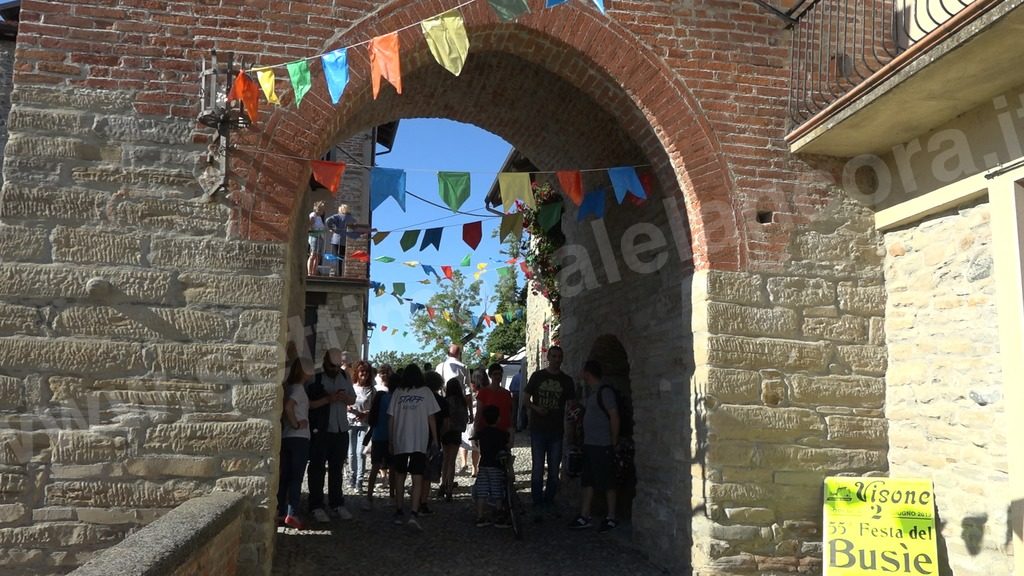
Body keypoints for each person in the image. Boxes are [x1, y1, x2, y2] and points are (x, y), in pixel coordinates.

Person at [525, 346, 575, 519]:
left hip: (556, 430)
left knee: (554, 468)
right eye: (554, 356)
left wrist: (570, 427)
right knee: (538, 466)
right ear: (548, 357)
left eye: (559, 356)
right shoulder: (538, 376)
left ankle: (549, 499)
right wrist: (535, 408)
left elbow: (570, 405)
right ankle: (537, 500)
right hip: (538, 428)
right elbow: (526, 398)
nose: (556, 359)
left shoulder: (567, 381)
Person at [569, 361, 620, 532]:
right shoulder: (593, 393)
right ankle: (585, 515)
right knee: (588, 480)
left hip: (603, 444)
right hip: (591, 445)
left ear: (587, 372)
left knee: (608, 482)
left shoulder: (604, 392)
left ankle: (611, 516)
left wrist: (613, 441)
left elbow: (614, 416)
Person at [306, 349, 356, 523]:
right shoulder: (316, 377)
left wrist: (344, 397)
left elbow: (353, 399)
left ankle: (337, 503)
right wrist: (328, 399)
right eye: (331, 366)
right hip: (321, 430)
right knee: (317, 469)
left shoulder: (345, 376)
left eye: (336, 367)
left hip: (340, 429)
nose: (334, 370)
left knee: (337, 469)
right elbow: (308, 404)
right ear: (325, 362)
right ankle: (316, 505)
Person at [388, 364, 440, 531]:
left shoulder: (398, 392)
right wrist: (435, 439)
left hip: (400, 439)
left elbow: (391, 418)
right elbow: (431, 417)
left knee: (400, 476)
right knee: (417, 477)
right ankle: (414, 513)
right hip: (419, 439)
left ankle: (398, 510)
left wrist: (391, 439)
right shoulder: (426, 392)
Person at [277, 358, 312, 530]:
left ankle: (281, 511)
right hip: (299, 437)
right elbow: (289, 407)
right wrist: (296, 423)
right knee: (296, 478)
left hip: (287, 437)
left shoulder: (292, 387)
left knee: (285, 477)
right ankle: (292, 513)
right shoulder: (298, 389)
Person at [471, 405, 510, 527]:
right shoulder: (502, 434)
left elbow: (476, 442)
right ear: (498, 419)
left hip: (483, 465)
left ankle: (480, 516)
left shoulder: (482, 433)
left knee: (482, 491)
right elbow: (506, 446)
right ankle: (499, 516)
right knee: (497, 490)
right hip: (496, 466)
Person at [364, 369, 396, 510]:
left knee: (375, 467)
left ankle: (369, 497)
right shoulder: (394, 399)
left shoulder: (380, 397)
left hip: (377, 436)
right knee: (392, 469)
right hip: (391, 437)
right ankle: (392, 496)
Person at [420, 371, 448, 515]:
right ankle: (423, 502)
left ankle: (416, 499)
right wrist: (440, 436)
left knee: (418, 471)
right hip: (433, 439)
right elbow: (446, 423)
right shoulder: (441, 401)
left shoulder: (420, 399)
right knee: (428, 474)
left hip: (419, 438)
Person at [347, 360, 375, 494]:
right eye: (361, 371)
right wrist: (349, 408)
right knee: (351, 453)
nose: (364, 373)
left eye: (366, 371)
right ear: (357, 373)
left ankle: (359, 480)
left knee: (361, 453)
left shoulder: (371, 390)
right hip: (350, 423)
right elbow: (345, 402)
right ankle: (351, 478)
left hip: (364, 424)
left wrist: (365, 413)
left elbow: (375, 408)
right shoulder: (351, 387)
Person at [440, 377, 468, 502]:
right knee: (452, 461)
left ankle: (443, 484)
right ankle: (449, 489)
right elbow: (465, 419)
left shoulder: (445, 401)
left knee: (445, 459)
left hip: (446, 432)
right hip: (456, 432)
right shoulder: (462, 402)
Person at [475, 363, 513, 441]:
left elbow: (509, 413)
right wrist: (476, 429)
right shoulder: (483, 392)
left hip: (503, 431)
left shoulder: (507, 393)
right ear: (490, 375)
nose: (498, 376)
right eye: (495, 374)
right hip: (487, 431)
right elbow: (479, 412)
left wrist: (511, 431)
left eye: (500, 374)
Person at [325, 204, 355, 274]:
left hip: (336, 239)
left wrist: (331, 228)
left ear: (340, 209)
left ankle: (333, 272)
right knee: (341, 259)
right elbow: (354, 226)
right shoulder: (351, 218)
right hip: (345, 241)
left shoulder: (338, 216)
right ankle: (340, 273)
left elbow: (328, 220)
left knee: (334, 257)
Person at [307, 201, 327, 276]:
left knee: (318, 256)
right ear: (318, 209)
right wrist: (313, 230)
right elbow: (310, 224)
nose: (323, 211)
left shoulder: (319, 217)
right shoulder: (313, 215)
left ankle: (314, 272)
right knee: (313, 254)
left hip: (320, 237)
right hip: (314, 237)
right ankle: (309, 272)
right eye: (322, 209)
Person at [509, 364, 524, 432]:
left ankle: (513, 426)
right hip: (521, 394)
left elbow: (510, 387)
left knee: (514, 411)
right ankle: (521, 425)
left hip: (514, 394)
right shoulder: (523, 377)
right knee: (521, 410)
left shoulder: (515, 376)